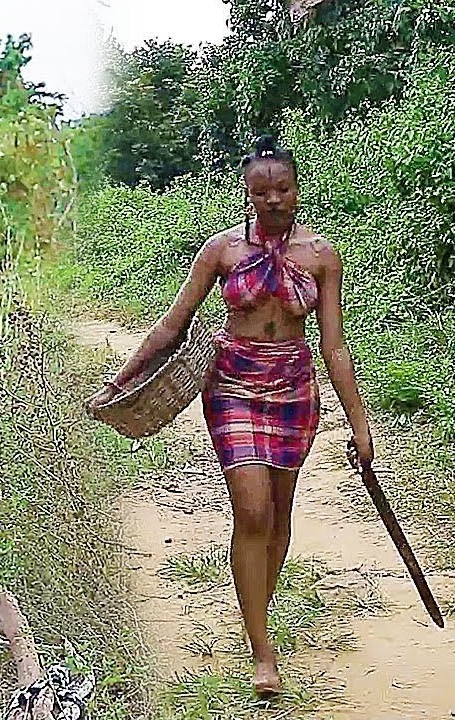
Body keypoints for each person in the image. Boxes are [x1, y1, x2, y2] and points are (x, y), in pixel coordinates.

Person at [86, 135, 374, 695]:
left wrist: (360, 426)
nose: (273, 200)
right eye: (261, 192)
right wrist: (122, 380)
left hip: (294, 392)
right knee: (253, 510)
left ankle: (255, 613)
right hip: (232, 388)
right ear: (247, 194)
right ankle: (263, 653)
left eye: (282, 189)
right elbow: (173, 324)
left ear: (297, 190)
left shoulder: (321, 257)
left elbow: (334, 346)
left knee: (280, 515)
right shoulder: (222, 251)